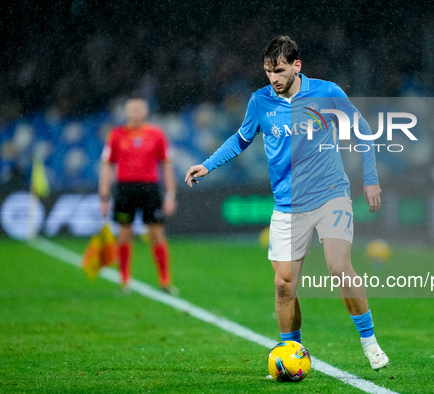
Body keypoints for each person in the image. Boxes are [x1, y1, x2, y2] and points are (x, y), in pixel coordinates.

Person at [184, 36, 389, 371]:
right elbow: (240, 139)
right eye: (268, 72)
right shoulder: (260, 102)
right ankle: (291, 354)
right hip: (288, 204)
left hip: (330, 196)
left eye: (278, 71)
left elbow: (361, 127)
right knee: (283, 285)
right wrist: (208, 165)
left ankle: (369, 342)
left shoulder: (326, 93)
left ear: (297, 65)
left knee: (338, 266)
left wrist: (370, 178)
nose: (273, 78)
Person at [99, 97, 178, 295]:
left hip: (150, 188)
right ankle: (124, 281)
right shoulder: (116, 135)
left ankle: (165, 281)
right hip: (125, 189)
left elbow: (167, 165)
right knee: (125, 235)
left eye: (138, 109)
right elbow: (107, 166)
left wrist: (170, 194)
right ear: (126, 112)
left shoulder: (157, 135)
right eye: (131, 109)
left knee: (157, 234)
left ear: (146, 111)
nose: (135, 112)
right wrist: (104, 197)